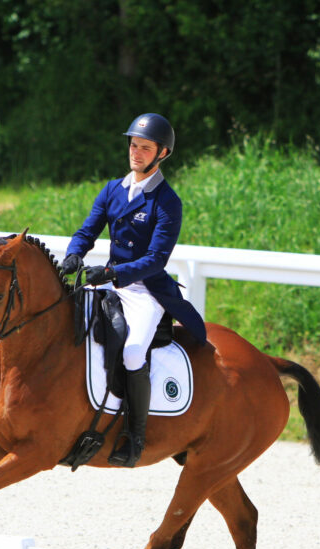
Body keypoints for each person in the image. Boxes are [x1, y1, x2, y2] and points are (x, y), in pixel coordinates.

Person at [60, 113, 207, 468]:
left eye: (144, 148)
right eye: (133, 145)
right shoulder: (112, 189)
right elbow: (87, 231)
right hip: (109, 283)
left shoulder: (167, 202)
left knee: (133, 351)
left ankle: (135, 435)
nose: (135, 152)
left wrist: (111, 271)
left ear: (162, 153)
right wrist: (73, 254)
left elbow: (156, 259)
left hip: (145, 291)